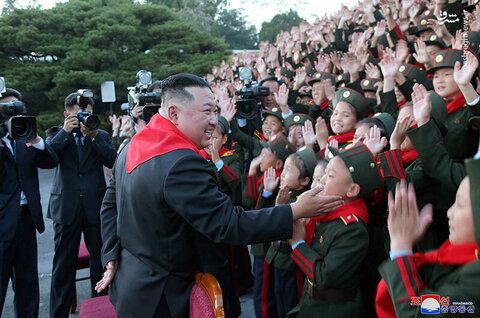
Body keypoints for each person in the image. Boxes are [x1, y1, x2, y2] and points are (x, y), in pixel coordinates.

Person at [96, 74, 344, 318]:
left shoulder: (135, 144)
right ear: (173, 113)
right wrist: (296, 210)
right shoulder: (181, 162)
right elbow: (227, 224)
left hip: (134, 286)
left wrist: (111, 255)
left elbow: (109, 203)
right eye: (206, 112)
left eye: (216, 111)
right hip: (168, 297)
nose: (215, 120)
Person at [287, 143, 384, 318]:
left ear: (352, 190)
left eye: (330, 176)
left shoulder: (352, 229)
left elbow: (325, 277)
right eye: (324, 174)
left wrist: (298, 245)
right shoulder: (325, 213)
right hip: (310, 303)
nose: (323, 180)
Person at [46, 91, 117, 318]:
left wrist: (93, 135)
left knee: (100, 263)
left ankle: (101, 310)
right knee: (62, 266)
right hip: (65, 207)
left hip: (95, 206)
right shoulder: (56, 134)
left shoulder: (100, 135)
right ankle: (58, 314)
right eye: (78, 115)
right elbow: (47, 159)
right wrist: (66, 132)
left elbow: (112, 159)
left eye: (87, 113)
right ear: (67, 114)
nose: (83, 119)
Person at [0, 88, 59, 317]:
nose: (11, 111)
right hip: (2, 222)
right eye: (6, 108)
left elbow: (50, 161)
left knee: (27, 287)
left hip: (26, 219)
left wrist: (35, 139)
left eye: (15, 106)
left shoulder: (24, 134)